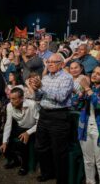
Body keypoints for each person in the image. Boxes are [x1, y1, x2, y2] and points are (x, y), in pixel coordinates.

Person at [31, 53, 73, 183]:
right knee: (41, 146)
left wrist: (41, 87)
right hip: (44, 114)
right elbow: (39, 97)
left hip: (59, 116)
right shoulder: (46, 78)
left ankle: (61, 179)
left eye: (53, 62)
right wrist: (36, 89)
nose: (49, 64)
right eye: (48, 61)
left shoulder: (67, 78)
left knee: (59, 150)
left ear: (61, 64)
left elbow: (61, 97)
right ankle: (48, 172)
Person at [73, 65, 100, 184]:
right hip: (85, 127)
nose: (94, 75)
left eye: (99, 73)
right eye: (93, 72)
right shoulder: (90, 88)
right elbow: (75, 104)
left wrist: (87, 88)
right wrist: (82, 93)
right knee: (87, 161)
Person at [0, 88, 39, 176]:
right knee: (4, 142)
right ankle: (14, 160)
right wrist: (4, 142)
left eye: (14, 99)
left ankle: (24, 166)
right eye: (10, 98)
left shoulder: (32, 104)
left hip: (33, 129)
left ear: (21, 98)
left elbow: (40, 122)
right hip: (20, 128)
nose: (11, 101)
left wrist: (28, 132)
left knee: (22, 143)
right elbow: (8, 124)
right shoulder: (9, 106)